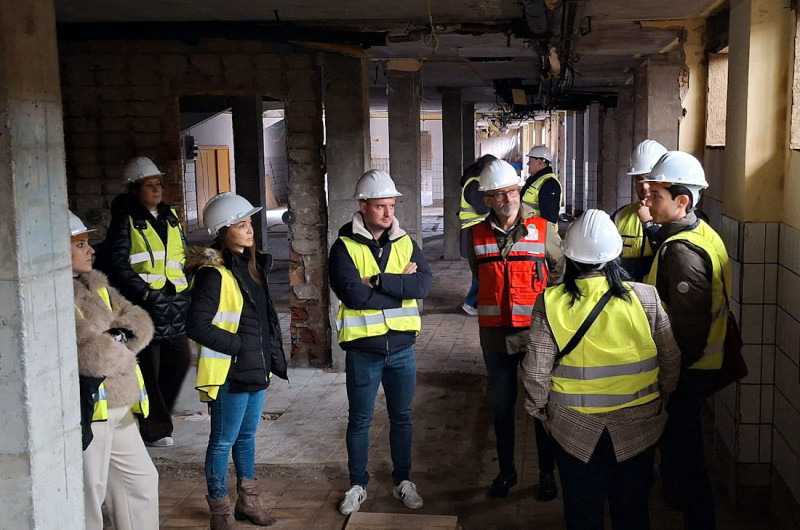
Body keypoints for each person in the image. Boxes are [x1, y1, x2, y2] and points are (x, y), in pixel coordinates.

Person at [521, 209, 680, 529]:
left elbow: (536, 374)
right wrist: (659, 399)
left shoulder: (550, 301)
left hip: (574, 431)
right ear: (615, 255)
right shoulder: (646, 298)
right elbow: (670, 360)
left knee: (582, 516)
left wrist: (542, 414)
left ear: (570, 256)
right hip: (639, 427)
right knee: (633, 513)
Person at [328, 169, 433, 516]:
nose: (389, 214)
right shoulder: (342, 248)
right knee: (360, 420)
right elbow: (353, 296)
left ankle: (403, 480)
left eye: (392, 206)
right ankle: (357, 484)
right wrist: (396, 288)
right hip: (364, 351)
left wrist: (375, 280)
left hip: (402, 350)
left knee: (402, 417)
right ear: (362, 206)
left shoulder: (406, 242)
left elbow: (421, 288)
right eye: (380, 207)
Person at [186, 192, 288, 529]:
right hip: (229, 373)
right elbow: (196, 325)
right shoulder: (213, 275)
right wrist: (240, 346)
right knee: (222, 442)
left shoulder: (254, 267)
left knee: (246, 439)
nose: (250, 230)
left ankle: (249, 502)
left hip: (256, 370)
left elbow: (265, 320)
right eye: (241, 225)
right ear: (223, 231)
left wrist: (268, 354)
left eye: (250, 224)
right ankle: (220, 512)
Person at [467, 158, 565, 500]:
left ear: (519, 190)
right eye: (498, 194)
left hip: (535, 337)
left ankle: (546, 475)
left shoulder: (543, 229)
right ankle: (506, 472)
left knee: (539, 406)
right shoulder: (476, 235)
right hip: (495, 339)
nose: (508, 199)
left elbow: (559, 272)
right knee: (501, 408)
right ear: (488, 200)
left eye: (511, 191)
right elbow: (480, 276)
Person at [642, 151, 730, 529]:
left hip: (687, 371)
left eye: (655, 195)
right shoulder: (700, 232)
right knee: (681, 452)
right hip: (695, 369)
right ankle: (677, 498)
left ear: (683, 201)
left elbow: (688, 329)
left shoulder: (681, 253)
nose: (646, 202)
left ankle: (699, 520)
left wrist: (668, 379)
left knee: (687, 452)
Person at [70, 211, 159, 530]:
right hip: (91, 411)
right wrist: (118, 342)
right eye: (80, 244)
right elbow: (88, 355)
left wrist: (115, 340)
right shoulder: (57, 297)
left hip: (121, 407)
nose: (91, 250)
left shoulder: (98, 286)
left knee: (142, 482)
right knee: (89, 496)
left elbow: (137, 320)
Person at [99, 155, 191, 447]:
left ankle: (157, 415)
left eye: (159, 184)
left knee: (179, 360)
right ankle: (155, 429)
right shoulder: (126, 219)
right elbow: (117, 261)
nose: (157, 190)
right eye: (149, 185)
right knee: (149, 368)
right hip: (146, 305)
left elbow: (180, 256)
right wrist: (144, 292)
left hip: (173, 303)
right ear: (134, 189)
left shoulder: (170, 217)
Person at [611, 139, 668, 281]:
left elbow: (670, 259)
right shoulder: (620, 216)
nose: (644, 187)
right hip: (626, 298)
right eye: (639, 179)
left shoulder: (675, 218)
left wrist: (649, 224)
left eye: (649, 179)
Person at [459, 154, 495, 315]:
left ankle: (475, 302)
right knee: (480, 271)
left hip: (476, 230)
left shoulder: (476, 182)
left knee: (481, 270)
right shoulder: (475, 184)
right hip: (473, 231)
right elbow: (482, 209)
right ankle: (470, 303)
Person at [521, 145, 561, 224]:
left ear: (540, 163)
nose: (528, 163)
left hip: (538, 232)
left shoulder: (549, 184)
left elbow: (549, 217)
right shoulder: (535, 179)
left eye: (530, 160)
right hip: (530, 230)